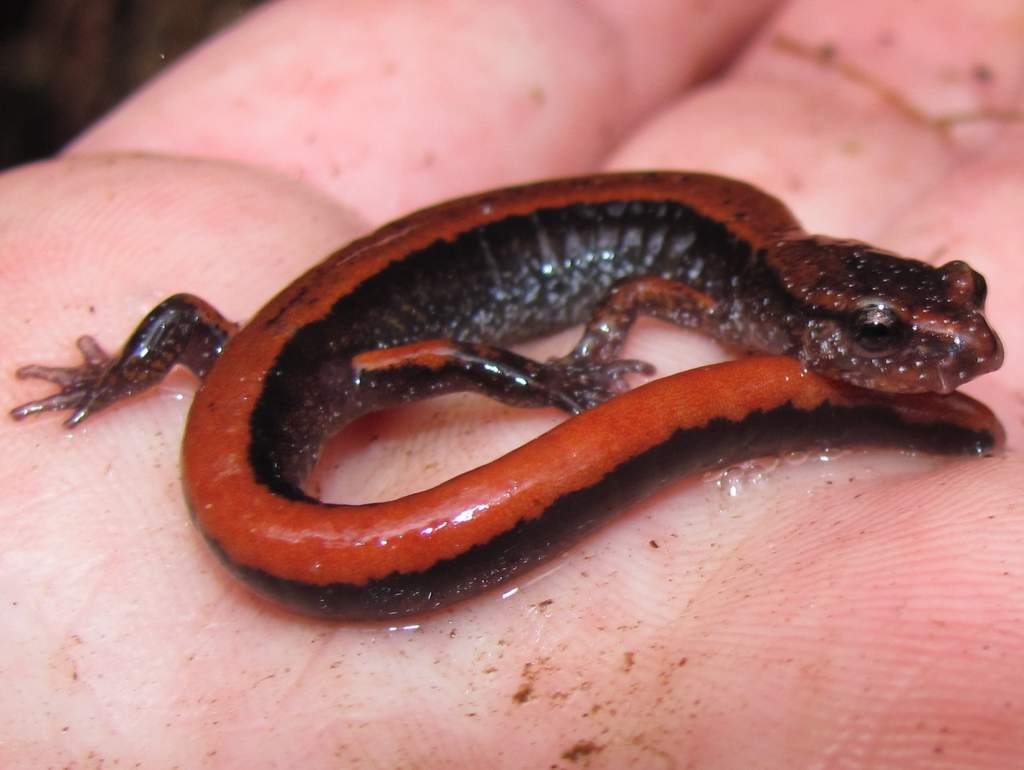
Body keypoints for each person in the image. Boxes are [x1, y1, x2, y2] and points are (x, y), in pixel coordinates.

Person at [2, 1, 1020, 767]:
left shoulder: (748, 269)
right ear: (801, 311)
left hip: (292, 358)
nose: (955, 350)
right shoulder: (722, 288)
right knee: (444, 363)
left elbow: (186, 322)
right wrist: (566, 381)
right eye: (889, 336)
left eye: (952, 302)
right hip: (320, 371)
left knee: (216, 333)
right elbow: (629, 289)